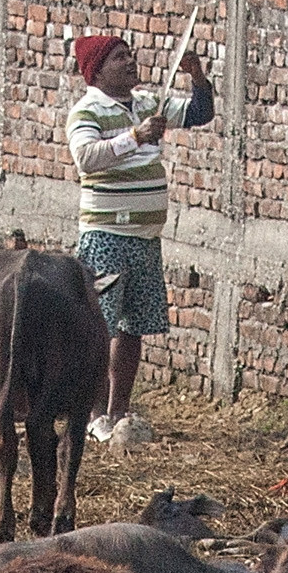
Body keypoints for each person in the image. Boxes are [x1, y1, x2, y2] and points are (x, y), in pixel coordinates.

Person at [64, 28, 208, 443]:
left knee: (132, 328)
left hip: (145, 237)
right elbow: (86, 159)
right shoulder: (87, 111)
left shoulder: (148, 103)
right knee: (101, 328)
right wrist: (135, 137)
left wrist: (196, 76)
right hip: (106, 233)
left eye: (130, 55)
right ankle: (94, 416)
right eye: (118, 58)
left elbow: (199, 113)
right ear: (97, 72)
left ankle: (119, 411)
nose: (130, 62)